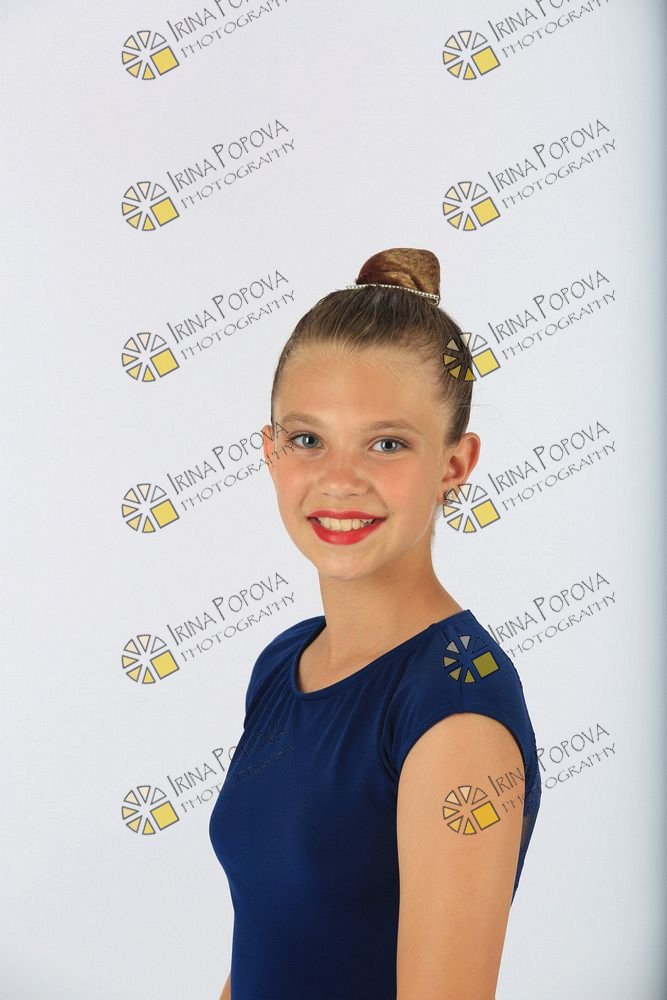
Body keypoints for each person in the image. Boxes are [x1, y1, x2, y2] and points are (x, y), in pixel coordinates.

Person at [209, 247, 542, 1000]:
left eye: (386, 444)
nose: (338, 480)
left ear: (455, 465)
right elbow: (271, 940)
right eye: (307, 439)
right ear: (270, 451)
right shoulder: (285, 660)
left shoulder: (455, 713)